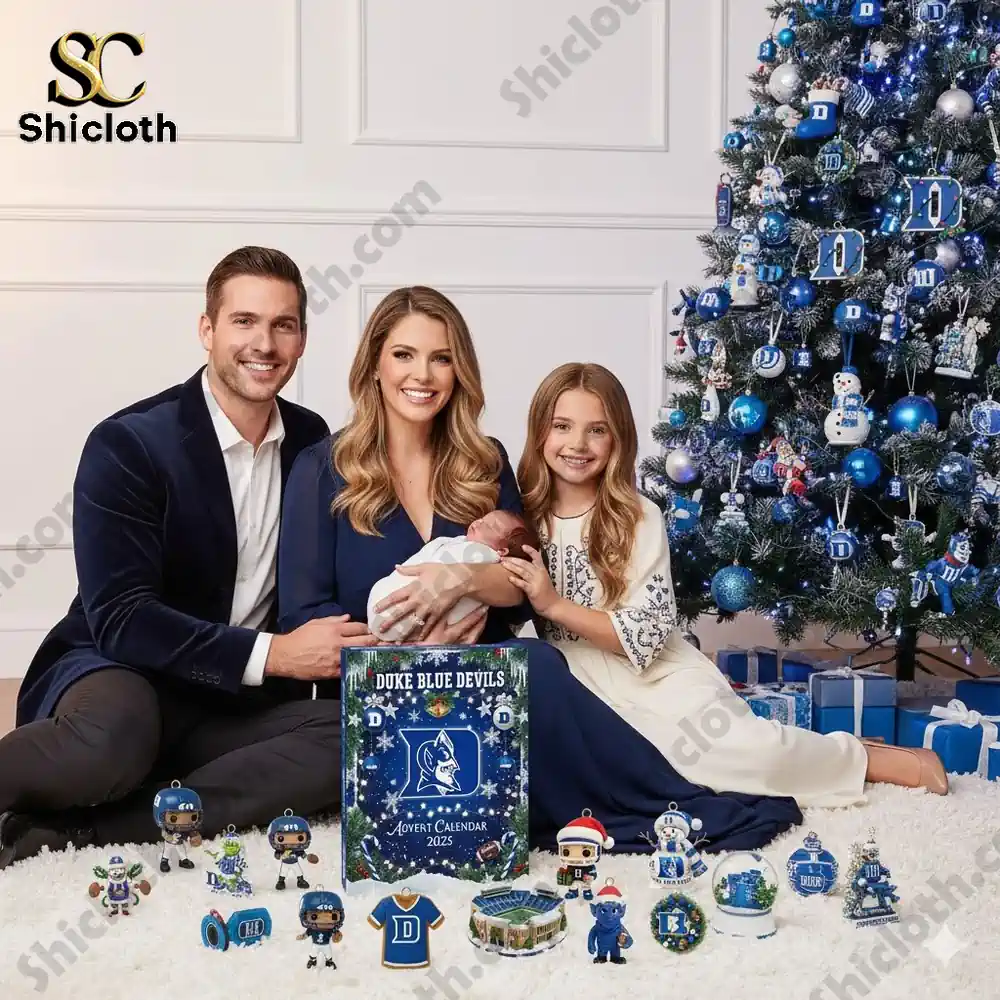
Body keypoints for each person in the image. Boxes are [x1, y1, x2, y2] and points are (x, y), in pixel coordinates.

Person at [277, 285, 805, 853]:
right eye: (404, 354)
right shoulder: (321, 468)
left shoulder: (484, 460)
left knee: (539, 662)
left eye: (441, 358)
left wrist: (461, 580)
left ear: (459, 371)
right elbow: (303, 615)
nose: (422, 375)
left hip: (482, 677)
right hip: (381, 683)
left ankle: (658, 802)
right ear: (375, 365)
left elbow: (523, 587)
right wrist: (405, 652)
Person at [0, 246, 379, 870]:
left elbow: (360, 548)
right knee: (114, 743)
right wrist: (276, 655)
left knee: (357, 738)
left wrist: (471, 552)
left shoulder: (315, 444)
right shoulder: (130, 443)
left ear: (303, 340)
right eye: (244, 321)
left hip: (227, 703)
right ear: (207, 329)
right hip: (119, 671)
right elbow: (122, 617)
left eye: (283, 325)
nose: (264, 344)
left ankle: (87, 833)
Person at [503, 362, 949, 808]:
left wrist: (554, 605)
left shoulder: (636, 517)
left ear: (618, 438)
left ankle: (864, 758)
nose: (578, 444)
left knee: (724, 752)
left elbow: (647, 635)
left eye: (597, 430)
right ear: (540, 430)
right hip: (573, 684)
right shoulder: (518, 519)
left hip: (655, 676)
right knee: (657, 775)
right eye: (562, 426)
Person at [367, 510, 537, 641]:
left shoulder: (481, 553)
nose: (479, 522)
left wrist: (461, 577)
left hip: (470, 647)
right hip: (374, 638)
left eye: (491, 526)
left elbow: (524, 582)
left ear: (503, 551)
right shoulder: (456, 542)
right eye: (482, 518)